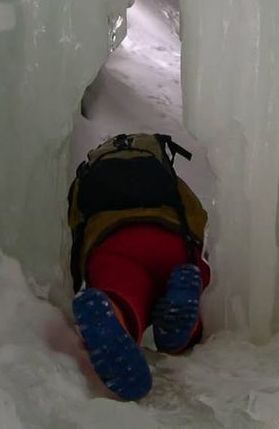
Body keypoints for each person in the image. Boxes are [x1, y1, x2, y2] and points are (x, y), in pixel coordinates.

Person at [67, 132, 210, 401]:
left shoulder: (86, 179)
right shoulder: (168, 180)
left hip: (112, 246)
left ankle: (112, 310)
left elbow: (77, 231)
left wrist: (83, 275)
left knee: (124, 296)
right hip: (171, 241)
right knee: (194, 287)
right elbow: (197, 218)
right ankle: (180, 330)